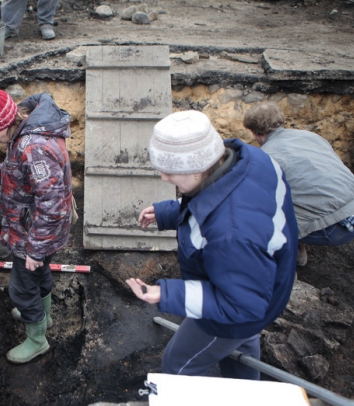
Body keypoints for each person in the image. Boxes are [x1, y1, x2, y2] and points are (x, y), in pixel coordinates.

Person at [126, 110, 298, 380]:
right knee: (242, 342)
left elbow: (240, 306)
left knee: (179, 363)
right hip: (264, 285)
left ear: (197, 167)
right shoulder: (253, 159)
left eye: (170, 171)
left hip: (240, 306)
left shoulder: (232, 235)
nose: (163, 178)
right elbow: (222, 200)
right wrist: (170, 212)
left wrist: (165, 293)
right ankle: (246, 390)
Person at [0, 89, 73, 364]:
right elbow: (15, 169)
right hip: (38, 231)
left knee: (21, 289)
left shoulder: (33, 148)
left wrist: (35, 250)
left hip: (35, 234)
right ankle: (44, 316)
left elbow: (51, 206)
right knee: (39, 273)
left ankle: (37, 340)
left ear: (5, 121)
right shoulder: (24, 135)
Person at [243, 102, 354, 266]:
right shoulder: (310, 136)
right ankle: (298, 252)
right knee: (297, 195)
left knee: (259, 217)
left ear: (254, 133)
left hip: (335, 228)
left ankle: (284, 269)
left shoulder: (267, 156)